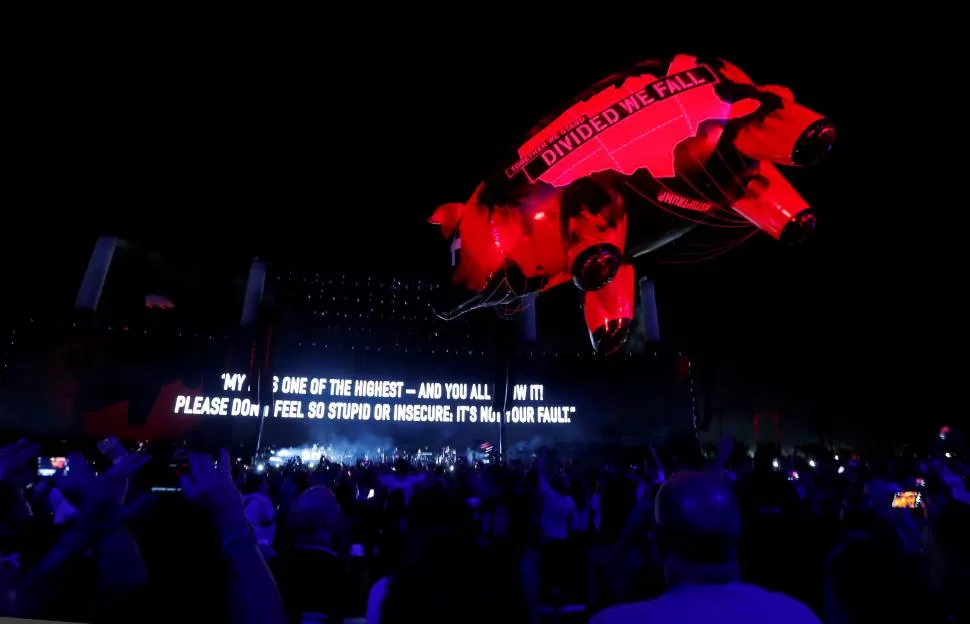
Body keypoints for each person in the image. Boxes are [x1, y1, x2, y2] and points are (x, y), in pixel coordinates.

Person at [591, 472, 820, 623]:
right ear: (739, 535)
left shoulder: (614, 621)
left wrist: (629, 530)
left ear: (658, 543)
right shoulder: (796, 615)